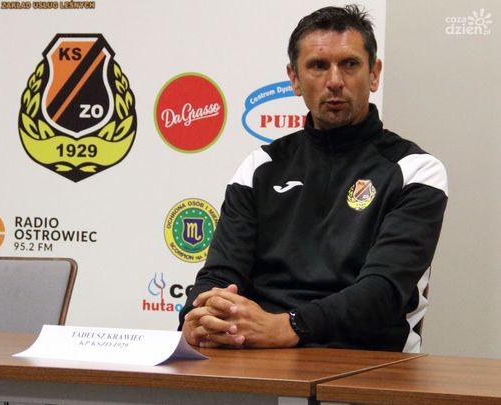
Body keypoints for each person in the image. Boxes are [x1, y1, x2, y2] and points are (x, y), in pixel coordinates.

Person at [178, 4, 448, 352]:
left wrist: (289, 326)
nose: (334, 81)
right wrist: (199, 315)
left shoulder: (416, 170)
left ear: (374, 73)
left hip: (367, 360)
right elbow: (220, 274)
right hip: (260, 352)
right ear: (294, 78)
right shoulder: (260, 166)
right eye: (318, 66)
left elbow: (381, 293)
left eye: (349, 64)